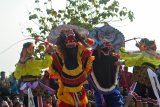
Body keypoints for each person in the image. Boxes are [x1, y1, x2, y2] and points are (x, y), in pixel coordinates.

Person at [48, 29, 95, 107]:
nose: (71, 43)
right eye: (68, 41)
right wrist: (49, 52)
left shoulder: (82, 51)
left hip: (80, 91)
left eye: (73, 39)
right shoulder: (58, 55)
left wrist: (84, 38)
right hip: (66, 91)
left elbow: (91, 44)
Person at [120, 38, 160, 107]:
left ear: (145, 45)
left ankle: (125, 106)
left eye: (143, 45)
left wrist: (123, 60)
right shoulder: (157, 55)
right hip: (153, 77)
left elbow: (133, 59)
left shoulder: (144, 53)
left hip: (143, 74)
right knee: (152, 98)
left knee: (132, 92)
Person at [14, 42, 53, 107]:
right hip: (35, 88)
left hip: (25, 88)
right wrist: (47, 53)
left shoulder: (20, 63)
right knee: (38, 103)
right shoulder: (32, 61)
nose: (34, 49)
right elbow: (45, 64)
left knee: (27, 104)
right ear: (27, 49)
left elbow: (16, 76)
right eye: (32, 48)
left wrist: (21, 62)